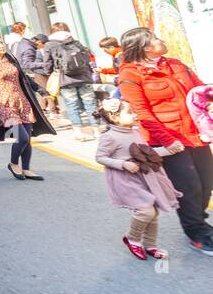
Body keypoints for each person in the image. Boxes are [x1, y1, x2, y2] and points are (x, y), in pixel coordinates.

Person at [115, 27, 213, 255]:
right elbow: (141, 112)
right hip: (167, 140)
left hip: (195, 133)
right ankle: (196, 233)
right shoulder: (130, 74)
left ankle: (200, 221)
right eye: (155, 39)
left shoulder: (175, 64)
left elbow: (199, 89)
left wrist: (209, 99)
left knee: (207, 182)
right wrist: (167, 141)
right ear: (144, 47)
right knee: (188, 187)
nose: (161, 40)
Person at [93, 98, 178, 261]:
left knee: (153, 212)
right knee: (145, 211)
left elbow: (146, 153)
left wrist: (169, 150)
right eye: (129, 112)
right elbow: (100, 157)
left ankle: (151, 244)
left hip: (144, 176)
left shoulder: (135, 132)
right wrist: (122, 163)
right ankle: (132, 238)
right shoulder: (109, 137)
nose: (135, 115)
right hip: (125, 180)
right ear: (115, 117)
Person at [0, 35, 56, 180]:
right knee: (21, 137)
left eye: (1, 43)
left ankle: (27, 169)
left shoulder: (11, 59)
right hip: (3, 105)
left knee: (27, 138)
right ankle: (14, 163)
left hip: (22, 101)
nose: (1, 46)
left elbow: (24, 78)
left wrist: (41, 90)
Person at [47, 22, 98, 141]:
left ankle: (79, 132)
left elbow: (47, 63)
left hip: (66, 80)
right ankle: (97, 131)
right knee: (91, 104)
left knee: (72, 106)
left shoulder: (50, 45)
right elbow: (86, 58)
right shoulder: (75, 42)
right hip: (84, 77)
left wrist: (51, 71)